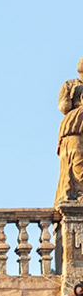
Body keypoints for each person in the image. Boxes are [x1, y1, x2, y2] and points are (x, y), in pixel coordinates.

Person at [57, 58, 83, 205]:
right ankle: (77, 194)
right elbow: (63, 107)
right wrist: (70, 94)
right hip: (74, 127)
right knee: (77, 161)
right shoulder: (70, 84)